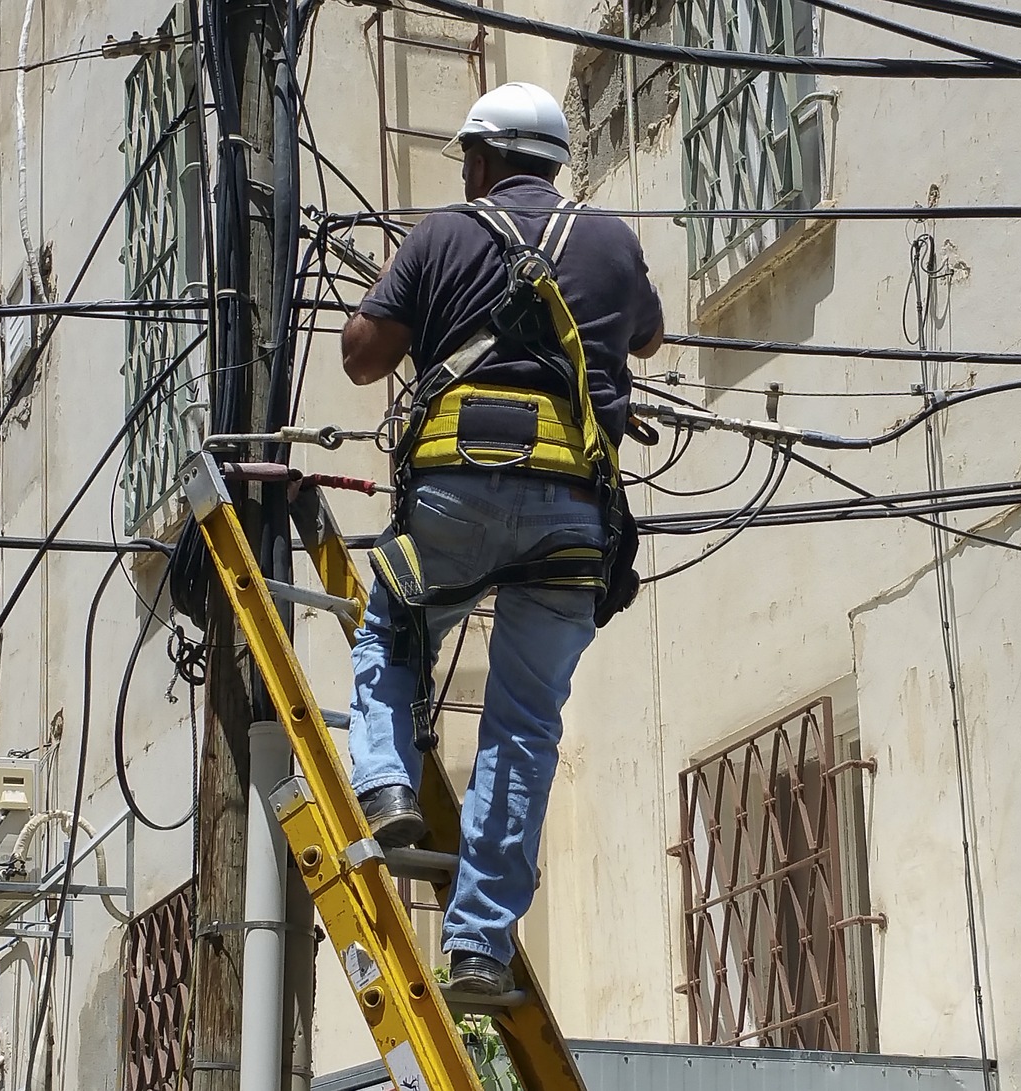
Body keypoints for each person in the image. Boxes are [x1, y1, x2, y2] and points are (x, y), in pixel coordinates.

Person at [338, 81, 664, 996]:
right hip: (571, 516)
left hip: (456, 494)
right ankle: (479, 944)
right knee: (523, 728)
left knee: (392, 625)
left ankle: (387, 787)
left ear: (481, 159)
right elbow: (646, 339)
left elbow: (363, 356)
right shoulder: (608, 240)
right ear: (555, 162)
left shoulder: (444, 232)